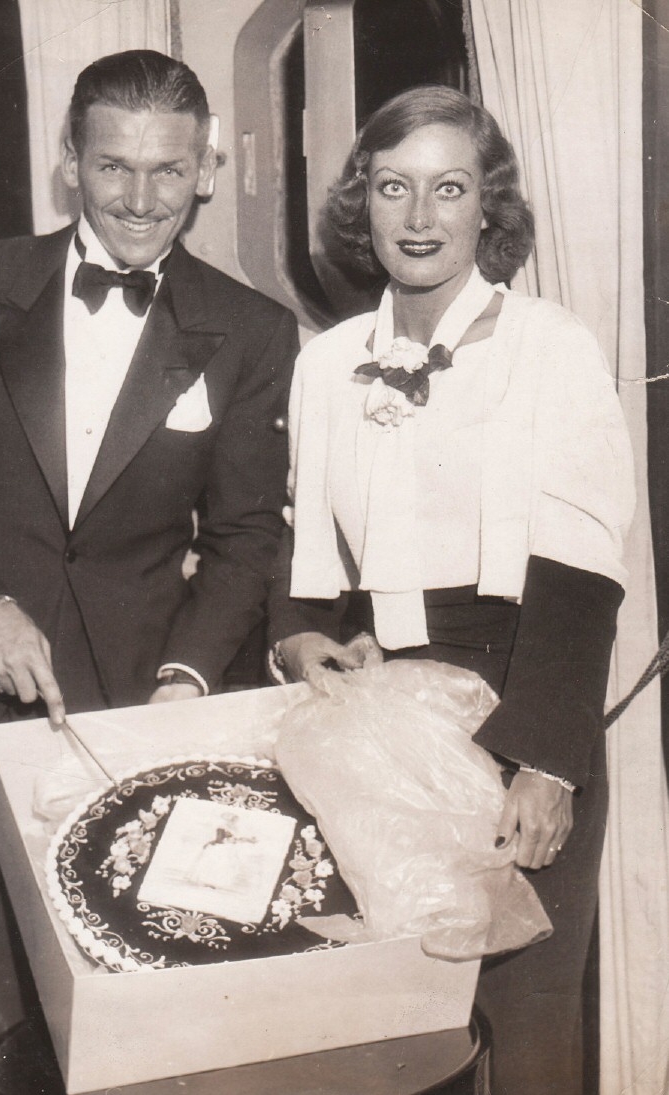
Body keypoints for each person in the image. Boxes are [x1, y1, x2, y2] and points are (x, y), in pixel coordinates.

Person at [0, 49, 298, 1089]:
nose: (139, 200)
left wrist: (183, 681)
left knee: (139, 1024)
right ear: (70, 164)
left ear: (204, 171)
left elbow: (245, 539)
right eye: (113, 168)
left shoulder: (250, 330)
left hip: (141, 719)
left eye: (165, 170)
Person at [268, 85, 635, 1095]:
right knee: (388, 1037)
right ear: (363, 205)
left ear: (488, 208)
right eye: (395, 188)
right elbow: (307, 577)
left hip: (516, 715)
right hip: (375, 724)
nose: (420, 218)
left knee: (526, 1035)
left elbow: (581, 568)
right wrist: (301, 642)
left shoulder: (549, 347)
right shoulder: (326, 364)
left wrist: (547, 764)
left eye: (448, 188)